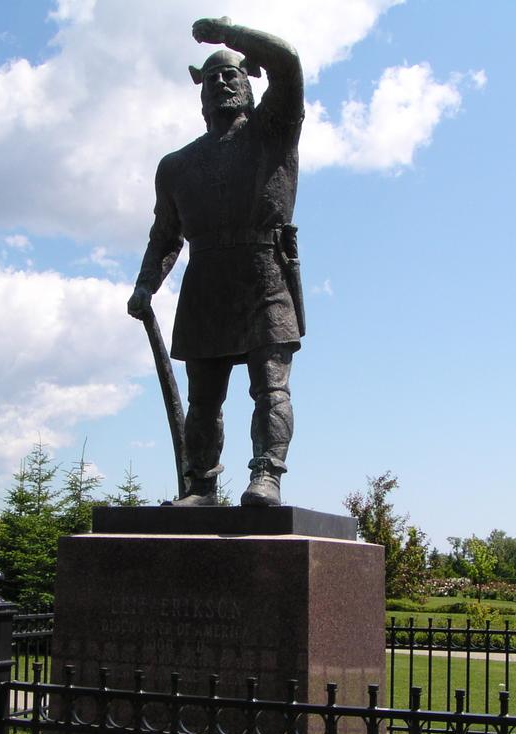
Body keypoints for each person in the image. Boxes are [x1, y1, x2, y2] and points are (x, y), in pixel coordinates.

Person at [127, 17, 305, 507]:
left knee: (270, 387)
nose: (223, 82)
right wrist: (146, 285)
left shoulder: (272, 132)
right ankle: (202, 486)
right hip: (204, 281)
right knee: (203, 399)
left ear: (250, 84)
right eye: (212, 77)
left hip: (264, 273)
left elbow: (288, 62)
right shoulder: (176, 166)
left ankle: (267, 474)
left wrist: (229, 35)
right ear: (200, 94)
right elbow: (165, 235)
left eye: (233, 74)